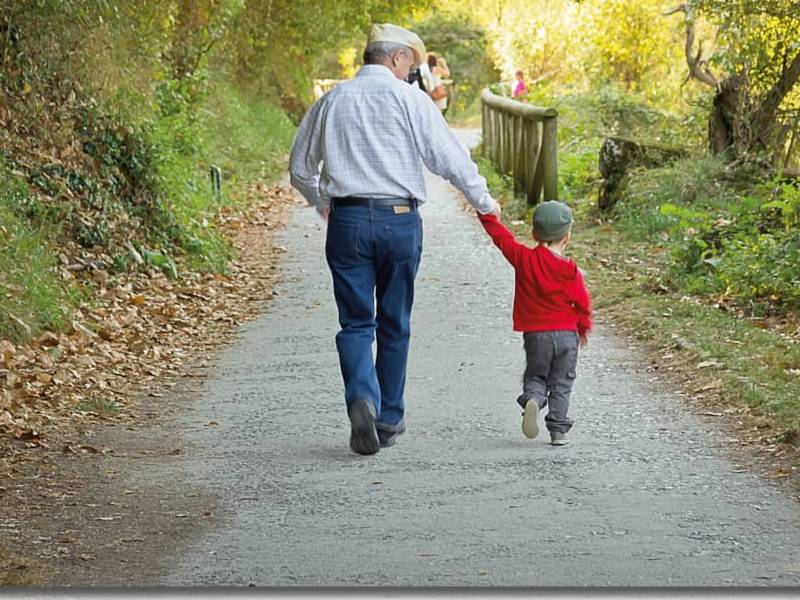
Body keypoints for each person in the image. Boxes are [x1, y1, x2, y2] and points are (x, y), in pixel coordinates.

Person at [289, 23, 501, 455]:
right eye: (412, 64)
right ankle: (388, 418)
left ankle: (362, 398)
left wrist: (322, 202)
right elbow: (450, 160)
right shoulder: (411, 100)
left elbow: (300, 169)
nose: (411, 73)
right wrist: (484, 202)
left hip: (347, 221)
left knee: (354, 322)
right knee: (394, 321)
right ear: (397, 58)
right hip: (400, 220)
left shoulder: (332, 100)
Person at [477, 201, 592, 445]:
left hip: (536, 334)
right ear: (567, 237)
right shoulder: (570, 269)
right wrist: (582, 328)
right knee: (562, 381)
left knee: (536, 375)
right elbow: (582, 302)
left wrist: (485, 212)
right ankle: (558, 432)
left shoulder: (523, 258)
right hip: (565, 334)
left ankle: (533, 400)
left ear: (534, 233)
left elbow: (501, 238)